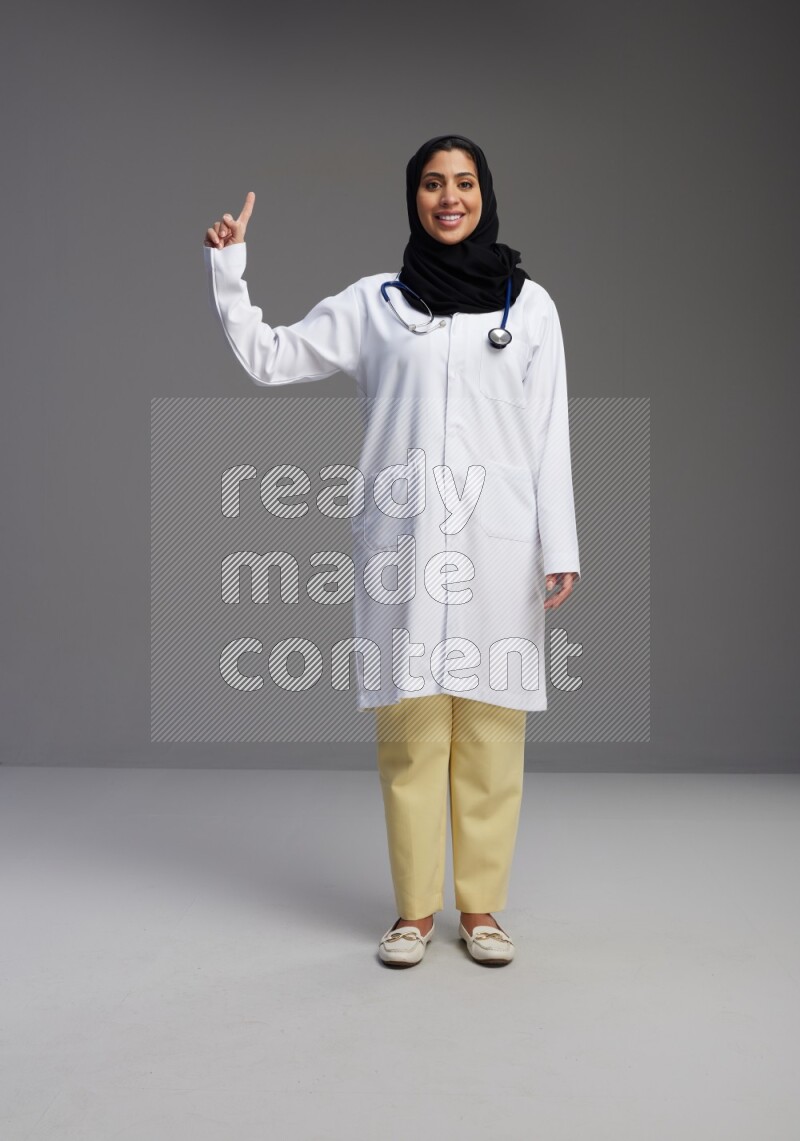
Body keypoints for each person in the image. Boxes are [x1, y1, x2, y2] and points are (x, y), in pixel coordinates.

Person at [203, 134, 581, 968]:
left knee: (490, 727)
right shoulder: (376, 304)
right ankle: (413, 912)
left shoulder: (530, 308)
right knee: (411, 731)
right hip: (403, 542)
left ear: (486, 194)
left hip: (498, 543)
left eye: (466, 183)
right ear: (413, 197)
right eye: (434, 185)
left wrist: (562, 543)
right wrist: (231, 271)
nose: (451, 197)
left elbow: (550, 430)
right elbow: (269, 358)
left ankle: (479, 910)